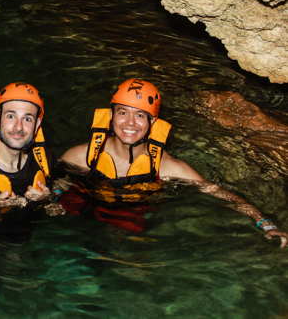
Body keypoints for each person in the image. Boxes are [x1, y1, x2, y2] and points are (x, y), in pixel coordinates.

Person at [61, 78, 288, 247]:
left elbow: (222, 195)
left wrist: (266, 224)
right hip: (76, 216)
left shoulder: (168, 167)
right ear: (111, 116)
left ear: (153, 121)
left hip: (125, 223)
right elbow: (54, 180)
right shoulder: (81, 156)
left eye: (140, 115)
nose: (130, 123)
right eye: (123, 113)